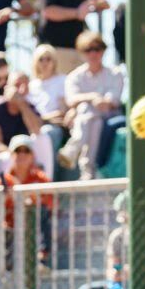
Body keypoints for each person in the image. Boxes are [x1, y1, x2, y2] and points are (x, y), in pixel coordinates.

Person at [58, 31, 124, 179]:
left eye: (97, 48)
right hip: (91, 119)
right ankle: (89, 168)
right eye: (88, 50)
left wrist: (88, 102)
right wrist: (93, 97)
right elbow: (71, 100)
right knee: (93, 119)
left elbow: (112, 102)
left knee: (87, 110)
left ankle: (75, 149)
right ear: (82, 53)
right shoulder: (74, 76)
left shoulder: (115, 73)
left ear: (103, 50)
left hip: (109, 116)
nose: (93, 53)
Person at [0, 136, 53, 271]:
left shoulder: (41, 178)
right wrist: (4, 199)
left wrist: (28, 197)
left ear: (32, 155)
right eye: (17, 151)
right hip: (9, 229)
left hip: (32, 228)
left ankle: (42, 258)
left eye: (26, 151)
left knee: (43, 213)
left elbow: (51, 205)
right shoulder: (3, 181)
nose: (21, 155)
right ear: (11, 155)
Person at [0, 71, 49, 173]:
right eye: (17, 85)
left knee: (43, 138)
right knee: (8, 158)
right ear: (7, 88)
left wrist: (22, 105)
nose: (21, 90)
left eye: (25, 86)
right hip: (3, 159)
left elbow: (36, 131)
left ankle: (45, 184)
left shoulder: (30, 108)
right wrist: (15, 155)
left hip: (25, 157)